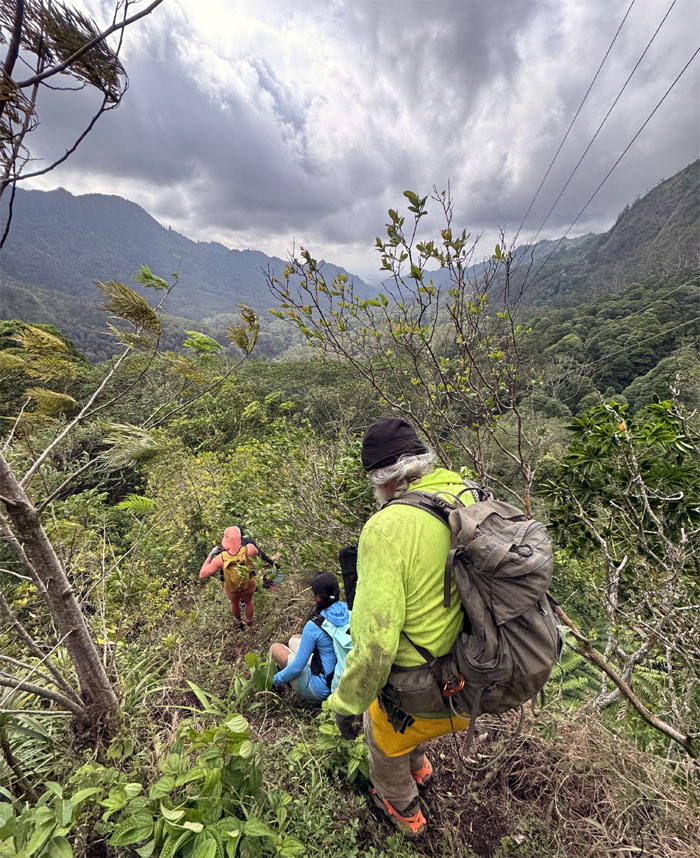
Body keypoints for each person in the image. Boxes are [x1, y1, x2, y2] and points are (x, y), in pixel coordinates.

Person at [327, 417, 474, 839]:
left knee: (380, 727)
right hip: (477, 674)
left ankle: (402, 805)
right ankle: (422, 766)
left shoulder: (387, 528)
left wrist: (346, 705)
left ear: (380, 479)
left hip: (424, 691)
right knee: (407, 712)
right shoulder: (465, 491)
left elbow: (374, 650)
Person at [270, 572, 350, 703]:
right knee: (295, 639)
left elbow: (298, 666)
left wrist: (275, 680)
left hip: (322, 690)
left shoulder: (313, 625)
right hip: (345, 679)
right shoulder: (348, 609)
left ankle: (279, 685)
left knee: (275, 648)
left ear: (318, 597)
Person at [199, 524, 279, 625]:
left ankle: (238, 620)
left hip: (231, 587)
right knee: (249, 602)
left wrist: (211, 555)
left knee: (234, 603)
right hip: (248, 583)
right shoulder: (250, 549)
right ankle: (249, 623)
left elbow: (202, 574)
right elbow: (260, 557)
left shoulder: (220, 558)